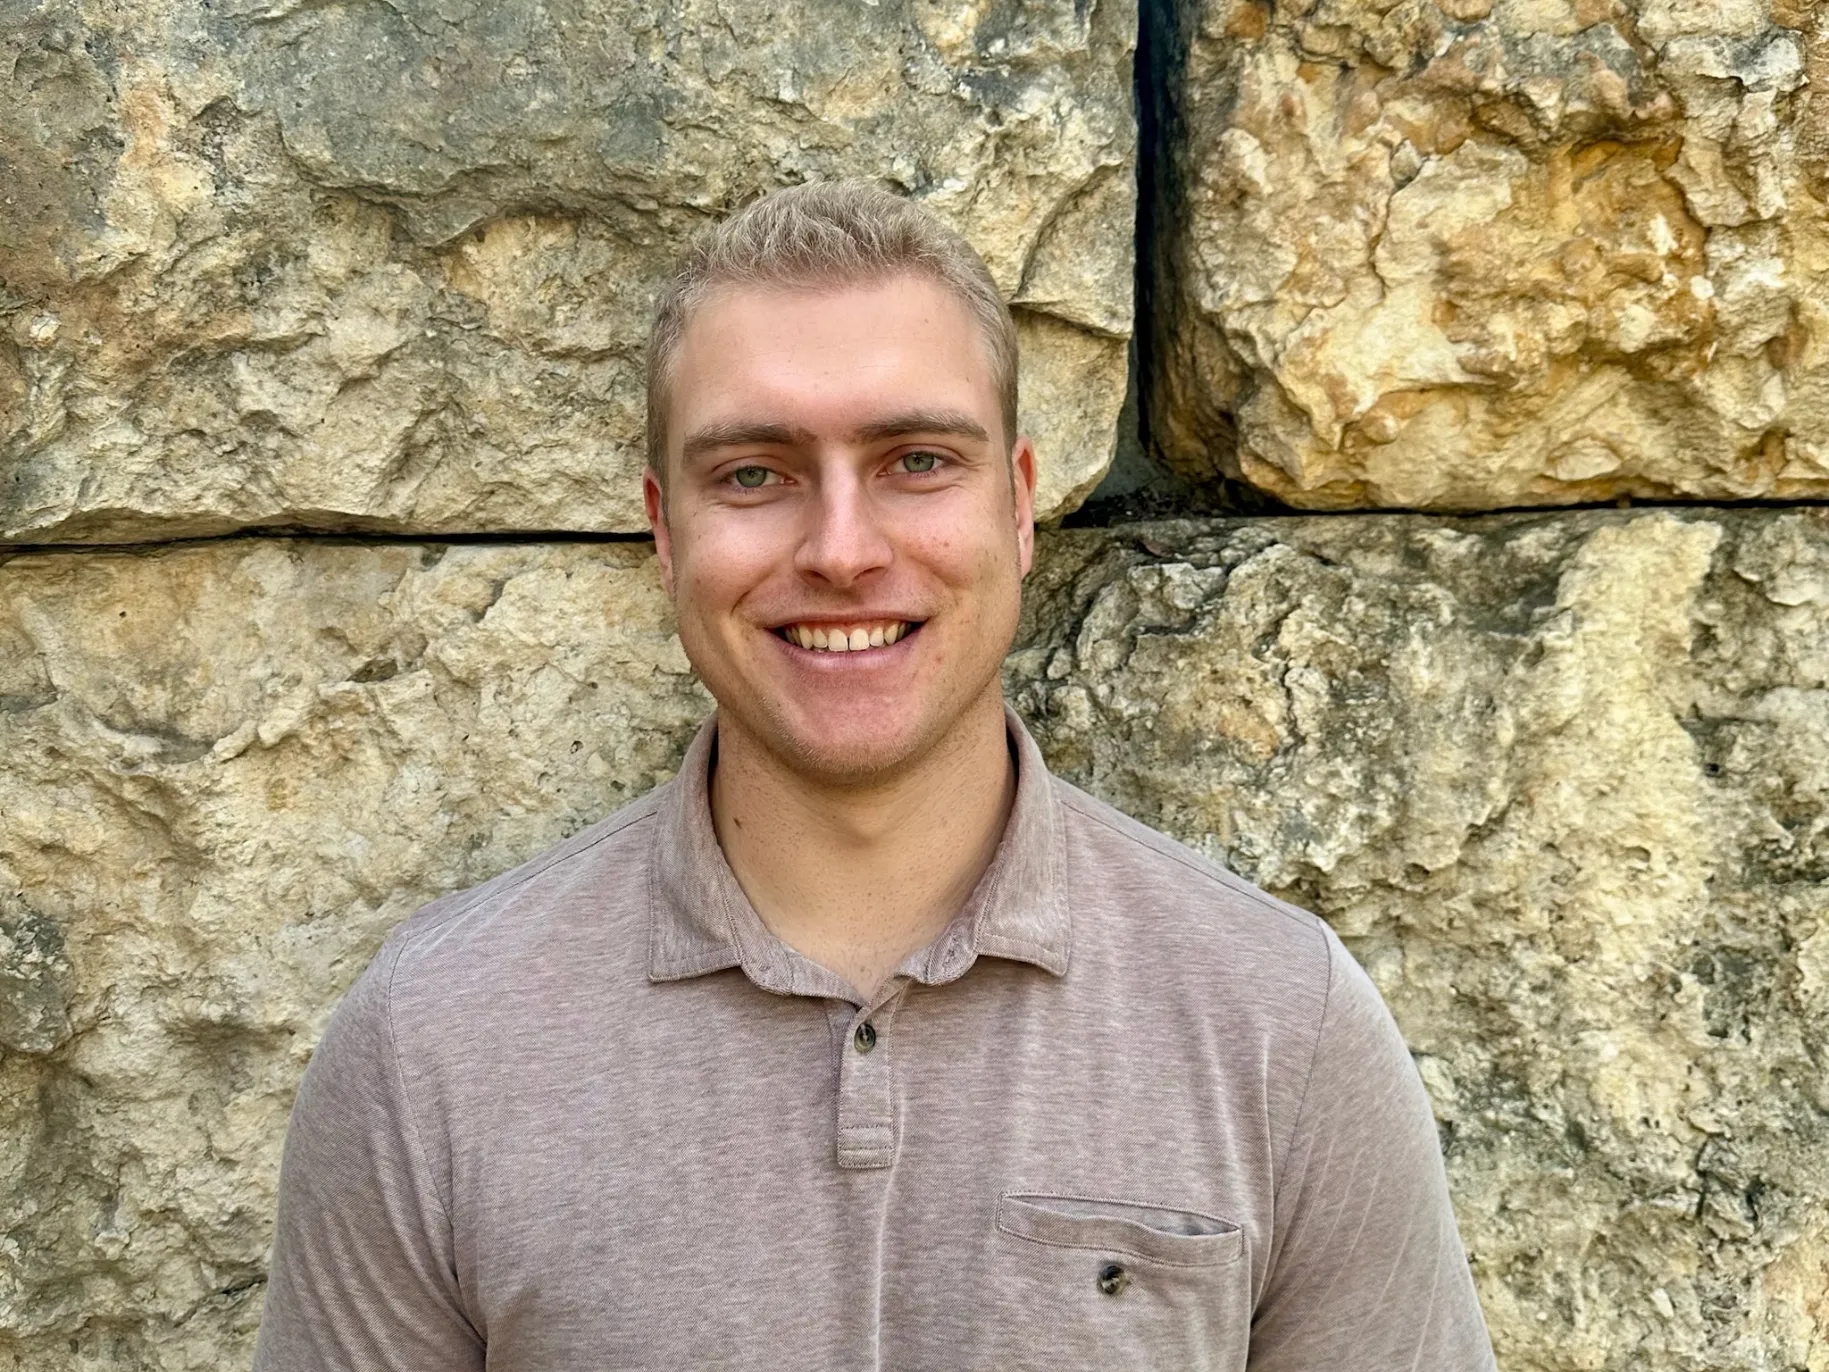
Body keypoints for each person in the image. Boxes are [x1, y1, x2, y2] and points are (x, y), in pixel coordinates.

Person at [253, 181, 1498, 1370]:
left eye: (914, 460)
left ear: (1017, 506)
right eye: (753, 474)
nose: (841, 550)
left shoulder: (1281, 1026)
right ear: (664, 529)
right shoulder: (432, 1044)